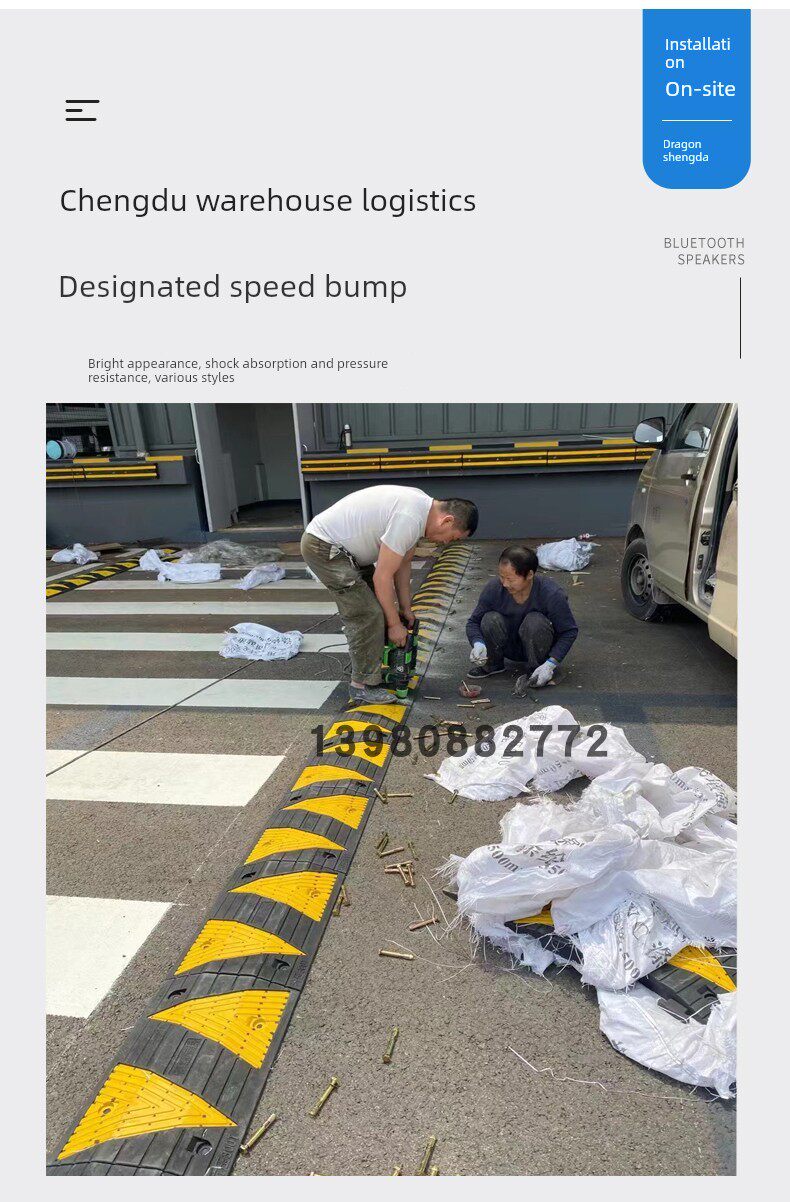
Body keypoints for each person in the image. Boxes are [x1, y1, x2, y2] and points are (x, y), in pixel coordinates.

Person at [302, 485, 478, 704]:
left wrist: (405, 609)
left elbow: (402, 565)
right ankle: (361, 685)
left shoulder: (421, 510)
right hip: (325, 547)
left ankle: (373, 667)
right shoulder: (410, 518)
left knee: (381, 609)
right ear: (447, 521)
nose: (446, 543)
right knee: (367, 613)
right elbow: (382, 578)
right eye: (452, 538)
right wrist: (394, 625)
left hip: (346, 552)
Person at [466, 544, 578, 695]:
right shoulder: (494, 588)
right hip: (508, 645)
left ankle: (538, 669)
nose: (505, 584)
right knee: (489, 619)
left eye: (510, 579)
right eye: (502, 577)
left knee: (534, 621)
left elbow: (569, 631)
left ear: (529, 575)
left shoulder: (551, 593)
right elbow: (473, 622)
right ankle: (493, 664)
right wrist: (478, 643)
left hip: (539, 647)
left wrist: (551, 663)